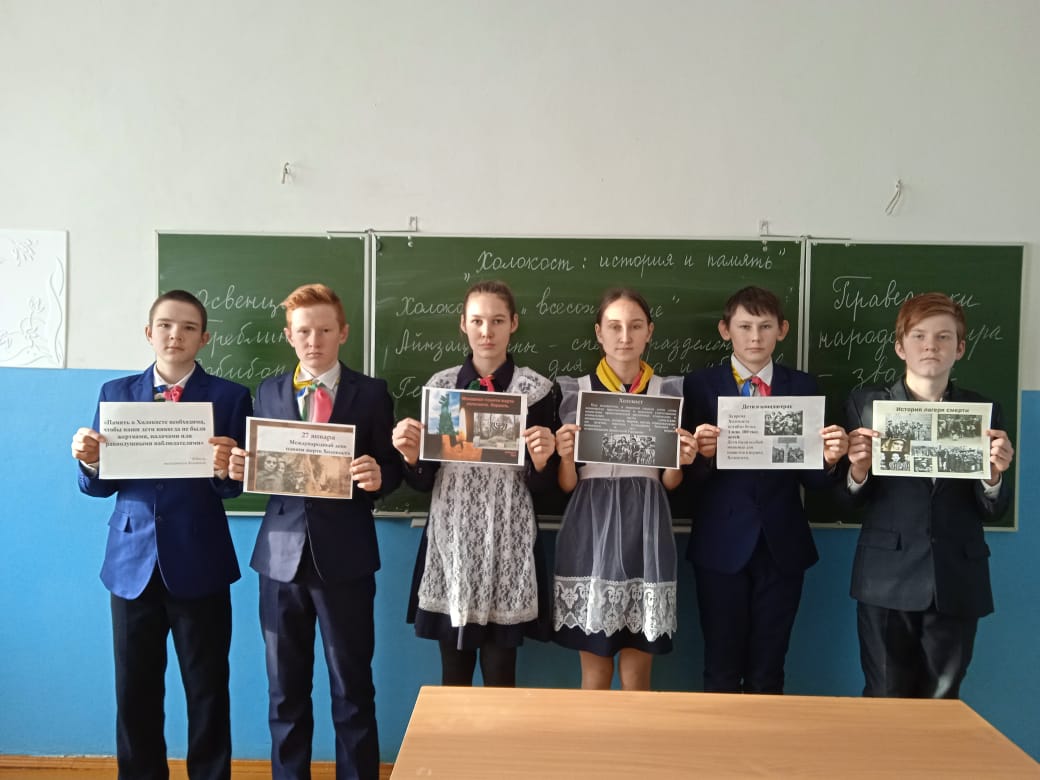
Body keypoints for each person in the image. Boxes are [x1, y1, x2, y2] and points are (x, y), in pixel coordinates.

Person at [69, 289, 252, 780]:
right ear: (149, 333)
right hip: (130, 562)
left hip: (201, 560)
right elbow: (100, 485)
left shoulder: (230, 397)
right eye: (166, 325)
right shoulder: (115, 393)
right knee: (135, 691)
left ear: (204, 338)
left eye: (189, 327)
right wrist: (89, 461)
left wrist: (227, 468)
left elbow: (232, 487)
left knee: (208, 689)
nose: (176, 335)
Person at [228, 283, 402, 780]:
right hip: (278, 560)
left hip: (346, 559)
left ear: (343, 333)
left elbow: (391, 468)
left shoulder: (371, 393)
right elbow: (258, 468)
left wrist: (380, 475)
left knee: (352, 689)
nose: (314, 341)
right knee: (284, 692)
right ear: (289, 335)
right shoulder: (267, 391)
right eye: (304, 331)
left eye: (325, 330)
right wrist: (240, 466)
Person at [842, 292, 1014, 698]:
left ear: (960, 348)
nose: (930, 346)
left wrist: (993, 476)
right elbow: (846, 500)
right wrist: (858, 470)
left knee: (943, 705)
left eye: (943, 336)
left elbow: (993, 509)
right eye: (918, 336)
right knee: (885, 698)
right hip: (886, 578)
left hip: (957, 577)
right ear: (900, 346)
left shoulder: (984, 410)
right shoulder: (867, 404)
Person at [682, 286, 848, 694]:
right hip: (720, 545)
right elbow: (685, 483)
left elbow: (812, 480)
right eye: (744, 327)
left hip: (783, 545)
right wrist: (702, 457)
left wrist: (829, 460)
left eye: (765, 326)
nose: (755, 337)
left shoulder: (803, 387)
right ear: (725, 330)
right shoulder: (698, 386)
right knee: (720, 666)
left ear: (782, 330)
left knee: (769, 669)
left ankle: (764, 739)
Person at [391, 280, 557, 687]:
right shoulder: (442, 388)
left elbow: (545, 488)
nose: (487, 331)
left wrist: (541, 462)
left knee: (501, 673)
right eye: (478, 321)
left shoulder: (536, 392)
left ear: (513, 324)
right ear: (463, 324)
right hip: (452, 543)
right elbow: (423, 481)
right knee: (454, 673)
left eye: (497, 321)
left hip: (508, 541)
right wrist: (411, 456)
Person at [553, 287, 697, 690]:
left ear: (649, 331)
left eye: (635, 326)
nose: (625, 336)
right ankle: (592, 736)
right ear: (599, 332)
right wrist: (565, 456)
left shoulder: (666, 391)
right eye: (614, 327)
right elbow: (567, 484)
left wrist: (680, 460)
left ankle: (636, 736)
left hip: (645, 524)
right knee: (595, 672)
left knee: (636, 675)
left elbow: (669, 482)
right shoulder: (577, 391)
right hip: (590, 523)